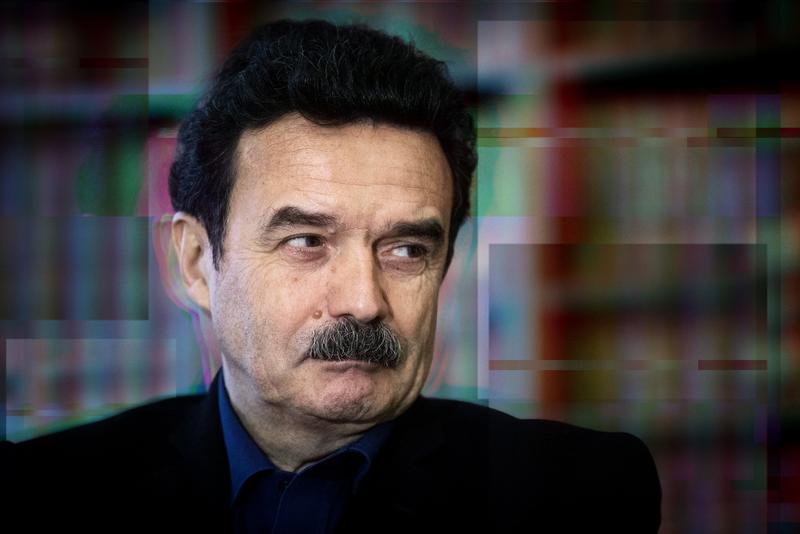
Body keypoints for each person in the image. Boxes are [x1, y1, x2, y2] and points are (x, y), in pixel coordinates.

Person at [6, 19, 661, 532]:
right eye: (306, 241)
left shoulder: (577, 495)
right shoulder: (42, 495)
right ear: (197, 263)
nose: (363, 301)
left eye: (406, 249)